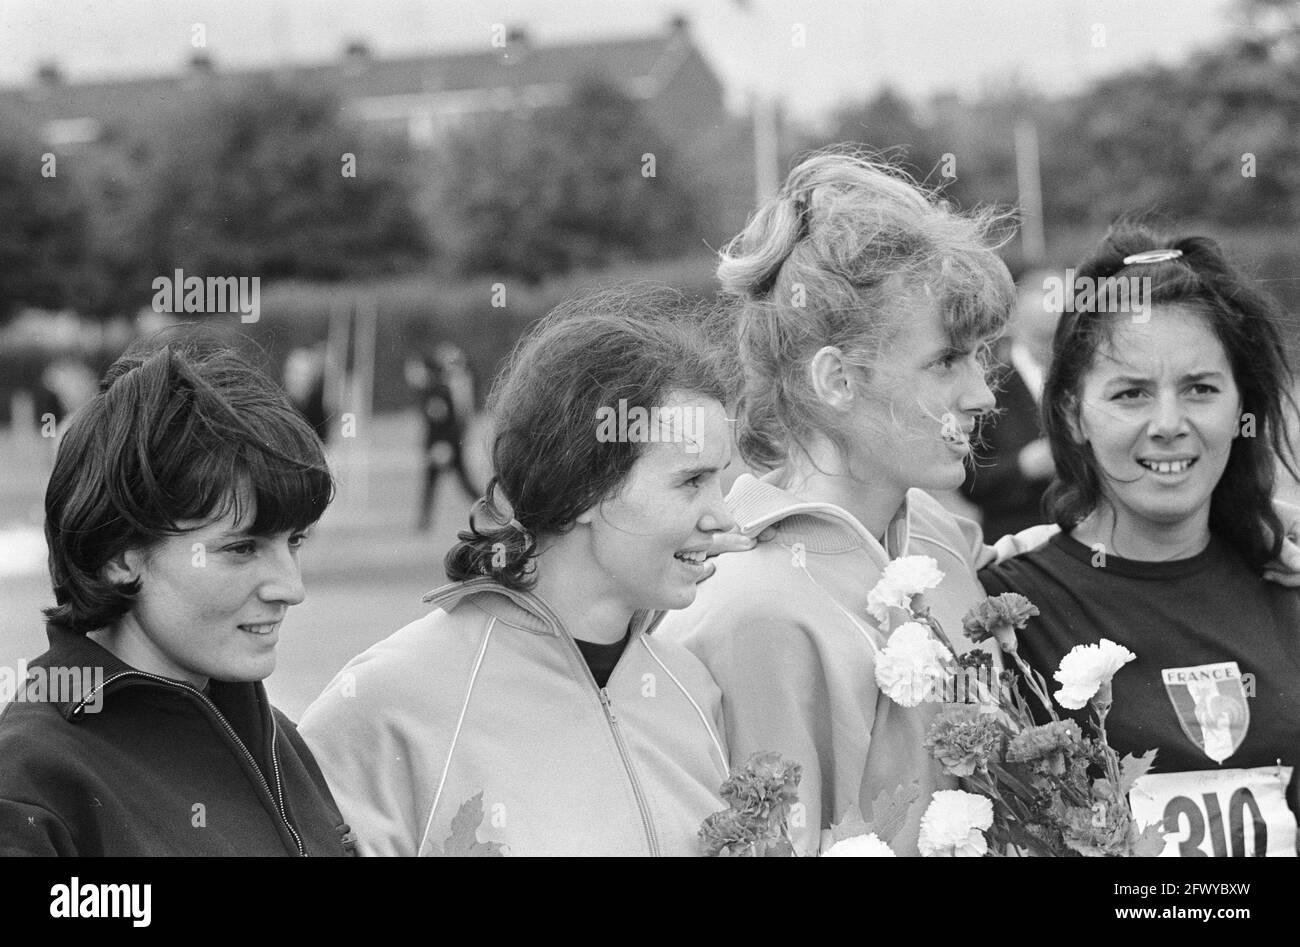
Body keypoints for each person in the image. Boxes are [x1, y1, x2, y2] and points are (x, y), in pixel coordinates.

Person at [655, 152, 1051, 856]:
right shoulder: (748, 609)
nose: (984, 395)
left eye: (978, 359)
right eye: (945, 362)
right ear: (837, 378)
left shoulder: (933, 532)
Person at [300, 289, 745, 856]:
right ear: (586, 489)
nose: (723, 515)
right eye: (690, 481)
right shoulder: (387, 703)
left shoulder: (693, 689)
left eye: (719, 479)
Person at [980, 226, 1300, 855]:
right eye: (1131, 394)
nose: (1169, 425)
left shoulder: (1286, 582)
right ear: (1073, 412)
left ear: (1243, 403)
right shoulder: (1007, 613)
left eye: (1201, 389)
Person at [0, 337, 353, 856]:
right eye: (240, 548)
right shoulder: (34, 786)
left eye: (293, 540)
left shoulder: (276, 741)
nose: (291, 588)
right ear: (121, 556)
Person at [962, 268, 1059, 536]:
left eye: (1058, 334)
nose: (1051, 347)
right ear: (1015, 325)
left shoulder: (1087, 383)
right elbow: (969, 480)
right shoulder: (986, 386)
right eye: (1041, 336)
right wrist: (1023, 466)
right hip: (1013, 542)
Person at [412, 344, 478, 531]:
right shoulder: (430, 391)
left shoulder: (438, 392)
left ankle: (489, 510)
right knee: (443, 481)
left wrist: (444, 445)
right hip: (441, 445)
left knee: (462, 482)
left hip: (445, 445)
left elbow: (447, 422)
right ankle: (423, 522)